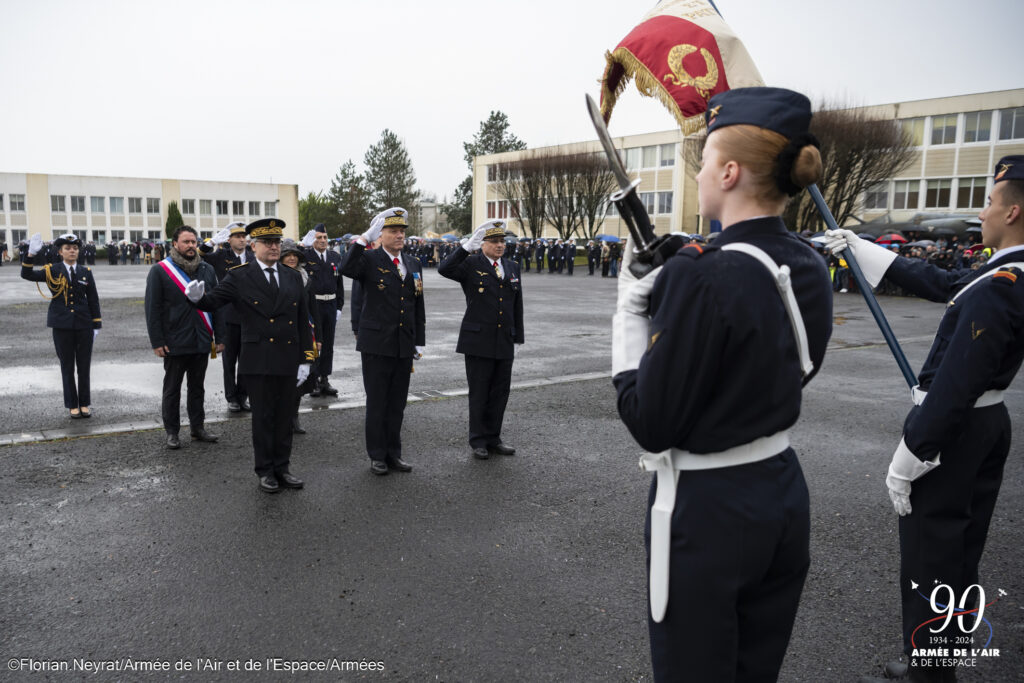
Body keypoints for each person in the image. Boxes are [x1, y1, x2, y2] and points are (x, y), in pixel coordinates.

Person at [613, 87, 832, 681]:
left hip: (709, 509)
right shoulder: (808, 261)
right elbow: (791, 366)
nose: (703, 172)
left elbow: (651, 423)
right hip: (781, 489)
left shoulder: (703, 274)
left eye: (706, 160)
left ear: (730, 171)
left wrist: (630, 317)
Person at [827, 156, 1024, 683]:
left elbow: (956, 384)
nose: (982, 213)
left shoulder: (1003, 282)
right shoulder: (1004, 270)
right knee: (960, 552)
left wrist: (913, 452)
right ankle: (938, 659)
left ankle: (928, 675)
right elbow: (943, 282)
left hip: (957, 430)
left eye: (988, 202)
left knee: (932, 556)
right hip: (987, 423)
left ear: (1014, 211)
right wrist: (859, 248)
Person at [186, 218, 315, 494]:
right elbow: (214, 301)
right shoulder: (240, 275)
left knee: (284, 417)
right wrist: (196, 299)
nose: (274, 247)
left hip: (287, 356)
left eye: (277, 242)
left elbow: (303, 319)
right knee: (264, 417)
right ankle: (265, 470)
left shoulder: (292, 275)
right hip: (258, 358)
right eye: (267, 242)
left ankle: (283, 467)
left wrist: (306, 358)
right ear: (254, 245)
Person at [340, 207, 425, 476]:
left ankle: (393, 453)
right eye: (393, 231)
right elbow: (346, 268)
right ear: (381, 234)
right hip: (376, 343)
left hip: (403, 342)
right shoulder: (369, 259)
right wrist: (364, 238)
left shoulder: (412, 263)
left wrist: (419, 340)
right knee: (378, 402)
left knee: (397, 402)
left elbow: (417, 304)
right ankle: (377, 455)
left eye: (402, 231)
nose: (400, 235)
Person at [439, 220, 524, 459]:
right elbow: (444, 268)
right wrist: (466, 247)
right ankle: (478, 440)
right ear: (483, 244)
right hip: (478, 340)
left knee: (500, 392)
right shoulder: (470, 264)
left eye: (502, 241)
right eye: (494, 241)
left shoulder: (512, 266)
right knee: (480, 392)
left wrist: (518, 336)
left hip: (504, 339)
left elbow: (517, 304)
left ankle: (493, 437)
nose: (499, 245)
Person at [145, 226, 223, 450]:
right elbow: (153, 309)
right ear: (176, 244)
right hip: (174, 340)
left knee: (197, 387)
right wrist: (157, 341)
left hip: (200, 338)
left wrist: (220, 336)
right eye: (186, 242)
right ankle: (172, 432)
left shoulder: (207, 269)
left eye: (193, 242)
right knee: (172, 389)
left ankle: (198, 428)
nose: (191, 246)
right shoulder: (160, 271)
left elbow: (217, 305)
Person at [20, 233, 102, 418]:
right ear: (60, 251)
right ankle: (72, 404)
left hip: (83, 325)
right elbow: (26, 274)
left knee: (84, 366)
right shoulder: (52, 270)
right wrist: (30, 255)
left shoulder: (85, 272)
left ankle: (84, 403)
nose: (72, 251)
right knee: (67, 366)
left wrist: (96, 324)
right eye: (67, 248)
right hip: (61, 325)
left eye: (74, 248)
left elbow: (93, 299)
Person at [199, 222, 253, 412]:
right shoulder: (221, 256)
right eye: (237, 237)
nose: (241, 239)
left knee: (247, 360)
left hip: (248, 316)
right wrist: (211, 242)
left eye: (243, 236)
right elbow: (200, 256)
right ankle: (231, 397)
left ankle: (243, 396)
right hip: (228, 316)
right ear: (228, 240)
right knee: (229, 361)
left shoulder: (252, 257)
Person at [279, 239, 323, 434]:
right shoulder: (276, 277)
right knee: (282, 377)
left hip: (305, 333)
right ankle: (281, 417)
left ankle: (294, 416)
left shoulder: (306, 278)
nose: (291, 258)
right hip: (282, 334)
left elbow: (314, 308)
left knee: (301, 378)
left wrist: (319, 337)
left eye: (294, 255)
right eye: (287, 255)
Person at [299, 223, 345, 397]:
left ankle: (325, 378)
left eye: (325, 237)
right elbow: (291, 261)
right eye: (319, 238)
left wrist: (339, 306)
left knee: (328, 344)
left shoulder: (334, 257)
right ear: (313, 240)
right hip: (314, 305)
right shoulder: (306, 256)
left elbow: (339, 283)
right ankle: (314, 380)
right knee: (315, 342)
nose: (323, 241)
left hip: (331, 304)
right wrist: (303, 245)